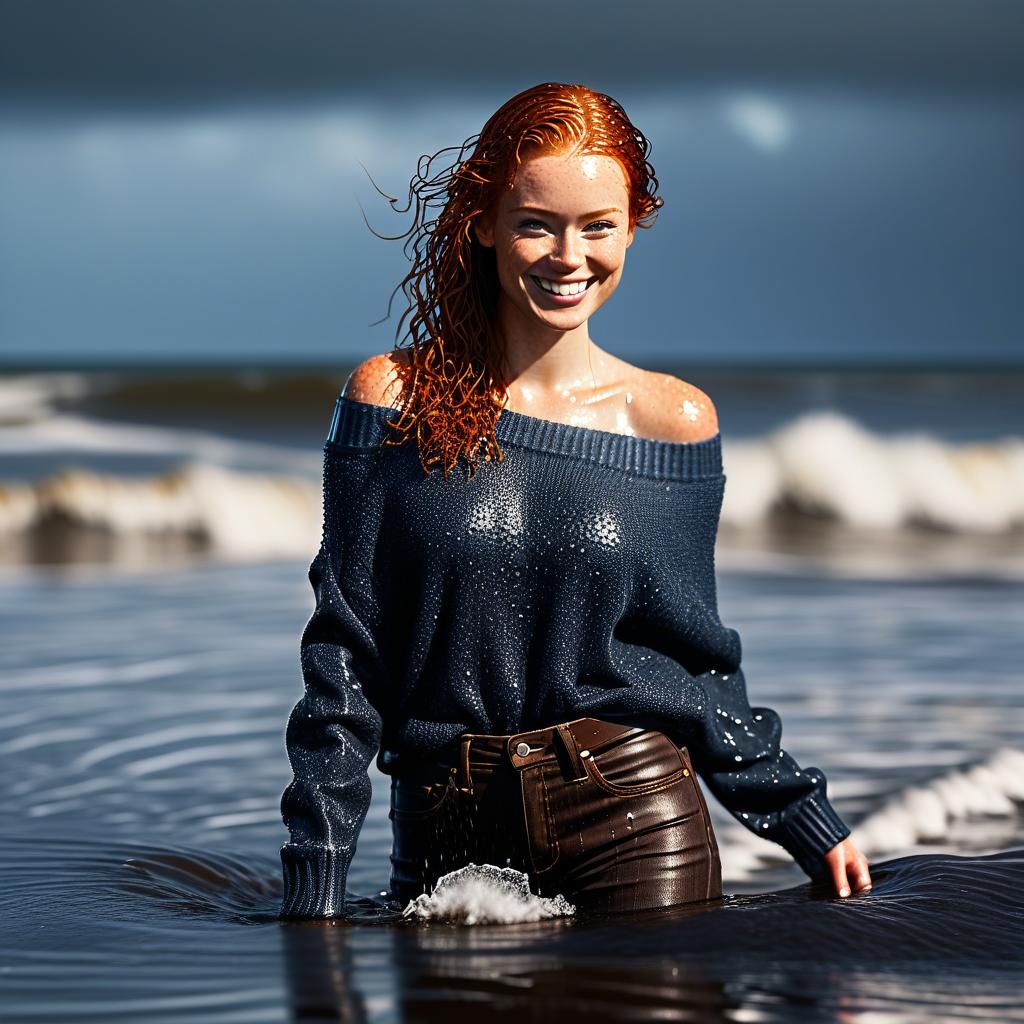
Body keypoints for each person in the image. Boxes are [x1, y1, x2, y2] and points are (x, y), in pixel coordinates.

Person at [278, 81, 873, 918]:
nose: (570, 256)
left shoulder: (672, 420)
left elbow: (696, 662)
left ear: (634, 227)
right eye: (537, 224)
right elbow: (344, 659)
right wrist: (317, 878)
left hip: (637, 822)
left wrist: (800, 816)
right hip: (449, 840)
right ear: (481, 224)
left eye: (599, 226)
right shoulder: (391, 399)